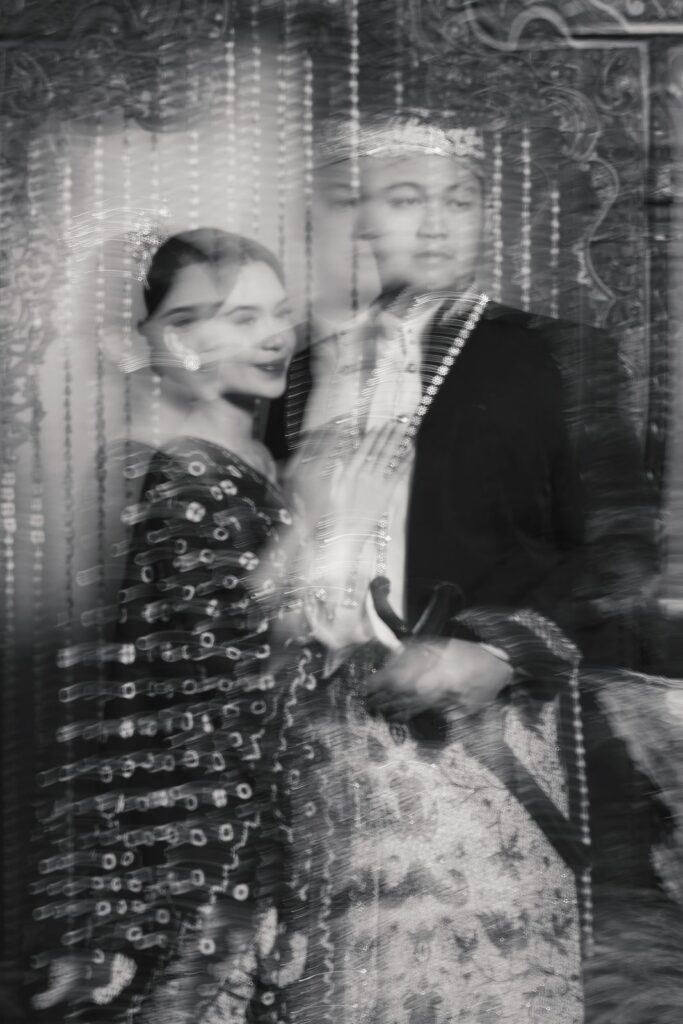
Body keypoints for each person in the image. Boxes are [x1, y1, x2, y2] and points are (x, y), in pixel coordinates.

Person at [265, 111, 658, 1023]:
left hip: (499, 736)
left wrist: (497, 651)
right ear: (357, 216)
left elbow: (622, 551)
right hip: (325, 751)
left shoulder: (555, 353)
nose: (438, 223)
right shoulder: (295, 373)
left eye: (461, 200)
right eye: (407, 201)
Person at [31, 229, 313, 1024]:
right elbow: (221, 662)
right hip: (193, 828)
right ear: (147, 337)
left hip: (244, 805)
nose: (272, 337)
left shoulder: (246, 455)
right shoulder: (176, 468)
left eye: (278, 313)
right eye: (232, 318)